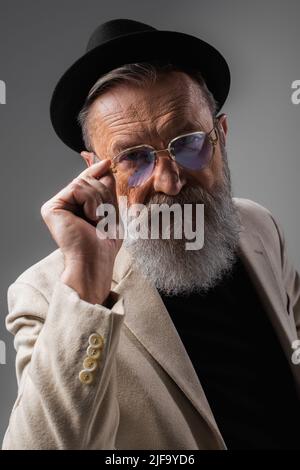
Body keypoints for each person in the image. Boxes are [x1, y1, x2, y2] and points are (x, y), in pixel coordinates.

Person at [2, 19, 300, 450]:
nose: (169, 181)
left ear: (222, 136)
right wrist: (89, 278)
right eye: (134, 158)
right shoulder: (49, 295)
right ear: (95, 170)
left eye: (188, 142)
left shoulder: (258, 227)